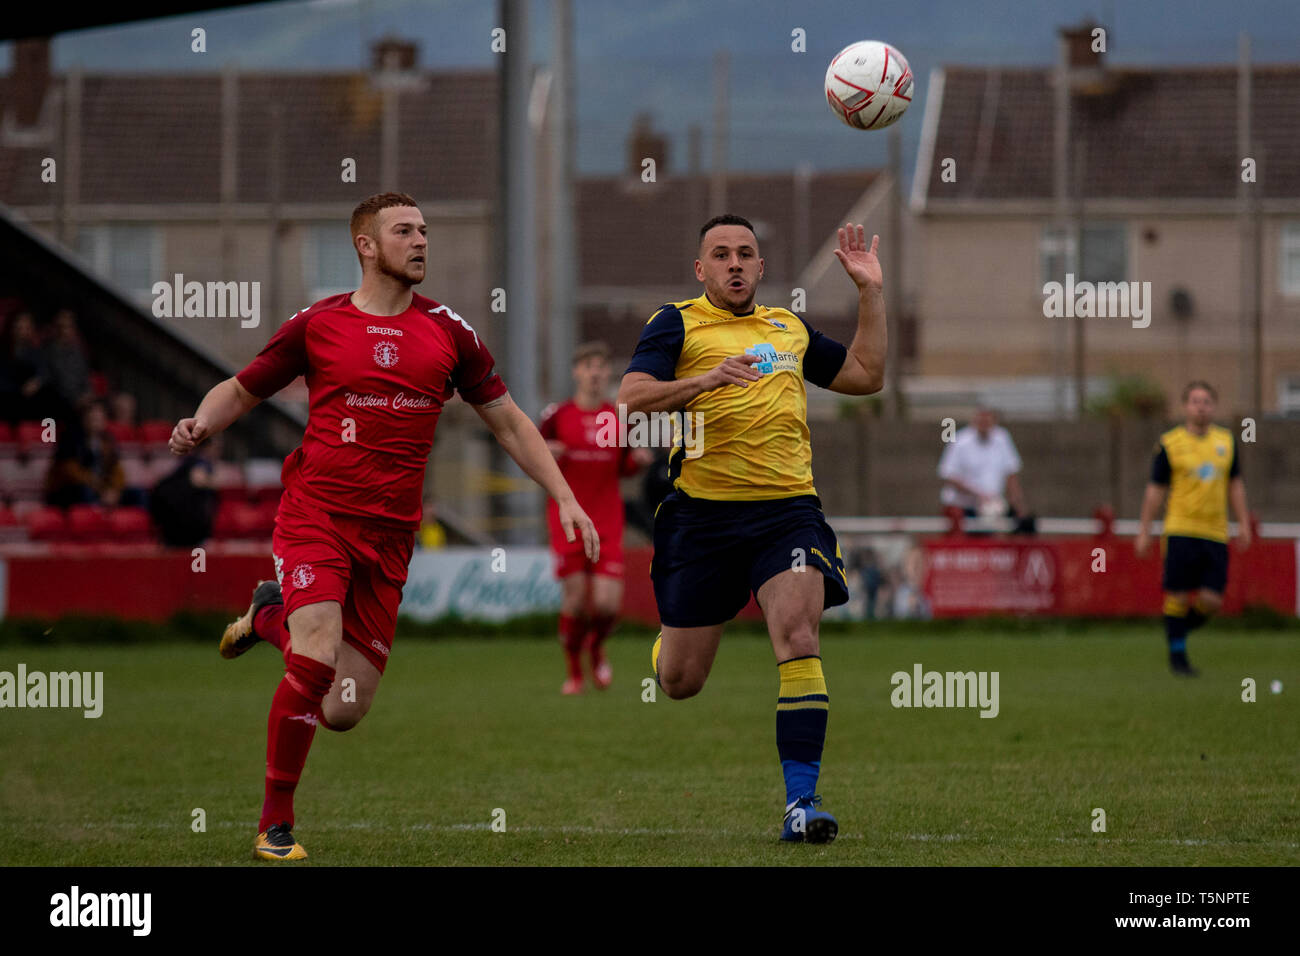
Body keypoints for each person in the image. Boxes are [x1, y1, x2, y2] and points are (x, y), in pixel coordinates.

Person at [168, 191, 598, 861]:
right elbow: (243, 388)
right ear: (366, 245)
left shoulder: (450, 332)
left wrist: (565, 495)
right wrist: (201, 421)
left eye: (425, 229)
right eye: (404, 231)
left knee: (342, 708)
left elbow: (511, 421)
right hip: (316, 515)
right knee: (315, 651)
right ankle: (275, 825)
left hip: (390, 538)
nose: (421, 240)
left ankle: (267, 616)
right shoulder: (318, 324)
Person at [618, 214, 886, 844]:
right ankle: (667, 647)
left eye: (746, 254)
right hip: (702, 517)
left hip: (786, 510)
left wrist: (870, 294)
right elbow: (629, 397)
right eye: (721, 254)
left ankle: (801, 804)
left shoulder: (787, 328)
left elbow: (866, 377)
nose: (734, 263)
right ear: (700, 269)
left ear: (762, 268)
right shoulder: (676, 322)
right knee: (682, 682)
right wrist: (703, 382)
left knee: (797, 630)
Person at [539, 341, 651, 694]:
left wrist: (639, 462)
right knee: (573, 600)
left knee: (605, 604)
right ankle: (574, 673)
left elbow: (625, 467)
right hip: (567, 521)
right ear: (576, 372)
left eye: (601, 368)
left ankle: (596, 647)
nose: (595, 374)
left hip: (606, 521)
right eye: (588, 366)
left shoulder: (616, 418)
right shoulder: (556, 417)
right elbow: (531, 456)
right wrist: (546, 453)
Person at [1135, 381, 1251, 677]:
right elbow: (1155, 490)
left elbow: (1235, 485)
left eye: (1207, 401)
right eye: (1195, 401)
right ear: (1186, 407)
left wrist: (1244, 522)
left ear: (1214, 407)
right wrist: (1145, 530)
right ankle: (1178, 658)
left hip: (1215, 532)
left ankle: (1177, 631)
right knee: (1177, 595)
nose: (1201, 406)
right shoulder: (1170, 444)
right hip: (1180, 529)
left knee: (1212, 599)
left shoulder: (1226, 442)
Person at [937, 406, 1027, 524]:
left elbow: (1011, 474)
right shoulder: (960, 440)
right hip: (963, 507)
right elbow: (949, 475)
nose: (984, 424)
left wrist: (1018, 504)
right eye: (981, 420)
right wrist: (978, 495)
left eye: (987, 421)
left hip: (993, 508)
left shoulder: (1002, 438)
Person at [44, 400, 125, 507]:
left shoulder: (108, 440)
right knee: (86, 491)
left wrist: (114, 490)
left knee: (137, 494)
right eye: (92, 419)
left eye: (99, 419)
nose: (96, 422)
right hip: (69, 490)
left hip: (101, 488)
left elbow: (116, 469)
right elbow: (70, 471)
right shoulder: (69, 438)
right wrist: (99, 488)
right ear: (83, 419)